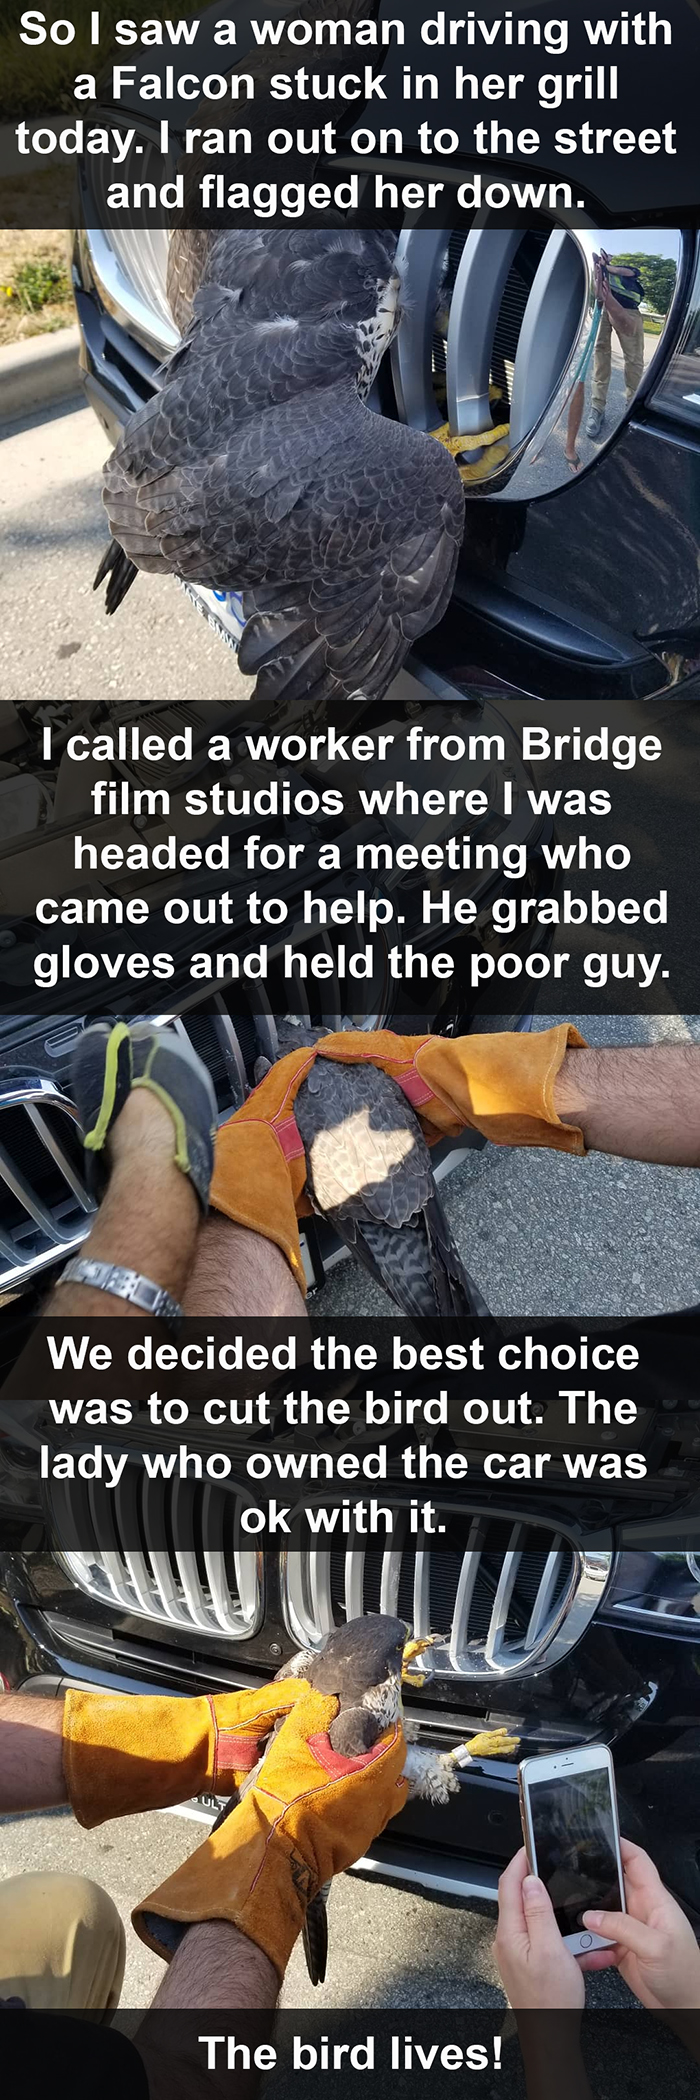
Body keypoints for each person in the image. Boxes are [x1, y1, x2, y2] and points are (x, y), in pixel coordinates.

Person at [587, 252, 646, 442]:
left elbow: (626, 272)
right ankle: (597, 408)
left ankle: (632, 408)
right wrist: (599, 272)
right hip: (603, 307)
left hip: (629, 311)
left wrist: (606, 267)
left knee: (634, 359)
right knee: (600, 355)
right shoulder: (601, 271)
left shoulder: (627, 267)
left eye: (608, 256)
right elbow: (596, 291)